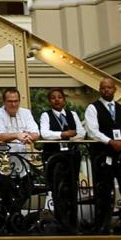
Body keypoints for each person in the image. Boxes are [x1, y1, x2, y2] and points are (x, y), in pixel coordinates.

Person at [86, 77, 121, 231]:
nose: (106, 90)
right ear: (99, 90)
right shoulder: (93, 108)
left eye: (109, 87)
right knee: (104, 191)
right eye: (103, 88)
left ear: (115, 89)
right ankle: (103, 225)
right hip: (103, 155)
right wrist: (110, 141)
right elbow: (92, 131)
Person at [0, 91, 40, 222]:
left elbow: (36, 133)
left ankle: (14, 219)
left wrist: (27, 136)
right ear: (4, 102)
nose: (13, 104)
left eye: (16, 101)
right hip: (3, 163)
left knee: (27, 187)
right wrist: (17, 135)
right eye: (10, 101)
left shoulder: (25, 113)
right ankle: (9, 221)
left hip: (22, 162)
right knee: (7, 195)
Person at [40, 89, 85, 231]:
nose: (57, 100)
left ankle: (73, 221)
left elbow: (81, 133)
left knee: (72, 188)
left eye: (59, 97)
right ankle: (61, 221)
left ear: (64, 99)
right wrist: (63, 134)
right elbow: (45, 134)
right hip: (53, 156)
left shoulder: (72, 114)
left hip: (71, 156)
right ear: (49, 101)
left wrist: (70, 137)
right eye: (53, 98)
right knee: (57, 189)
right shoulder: (46, 115)